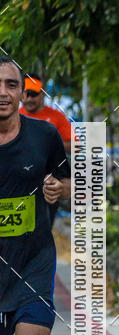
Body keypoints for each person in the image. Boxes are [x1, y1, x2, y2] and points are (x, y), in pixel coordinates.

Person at [0, 58, 71, 335]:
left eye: (12, 85)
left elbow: (72, 184)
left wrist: (59, 188)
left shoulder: (44, 135)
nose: (3, 93)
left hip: (31, 263)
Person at [20, 73, 72, 228]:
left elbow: (75, 145)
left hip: (48, 183)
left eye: (33, 94)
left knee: (43, 228)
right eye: (25, 94)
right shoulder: (14, 116)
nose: (29, 99)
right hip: (21, 181)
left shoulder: (56, 117)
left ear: (42, 94)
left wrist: (48, 142)